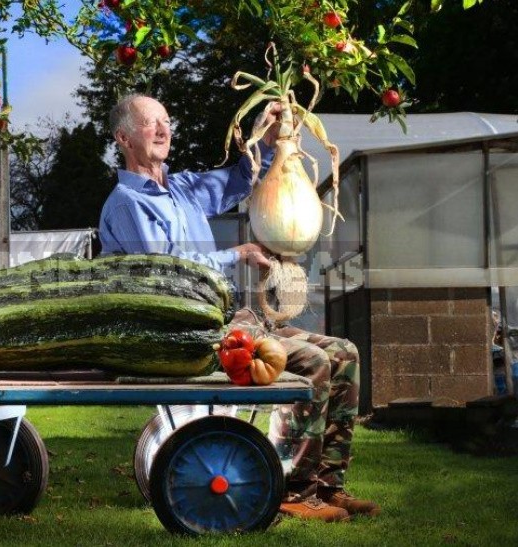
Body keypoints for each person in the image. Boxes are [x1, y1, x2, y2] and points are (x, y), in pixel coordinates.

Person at [99, 93, 380, 522]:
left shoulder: (183, 189)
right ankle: (293, 491)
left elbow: (236, 180)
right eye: (149, 122)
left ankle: (328, 486)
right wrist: (238, 253)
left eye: (166, 120)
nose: (162, 129)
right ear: (123, 137)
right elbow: (168, 272)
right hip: (184, 333)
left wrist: (270, 141)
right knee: (313, 362)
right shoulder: (125, 203)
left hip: (224, 320)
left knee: (345, 354)